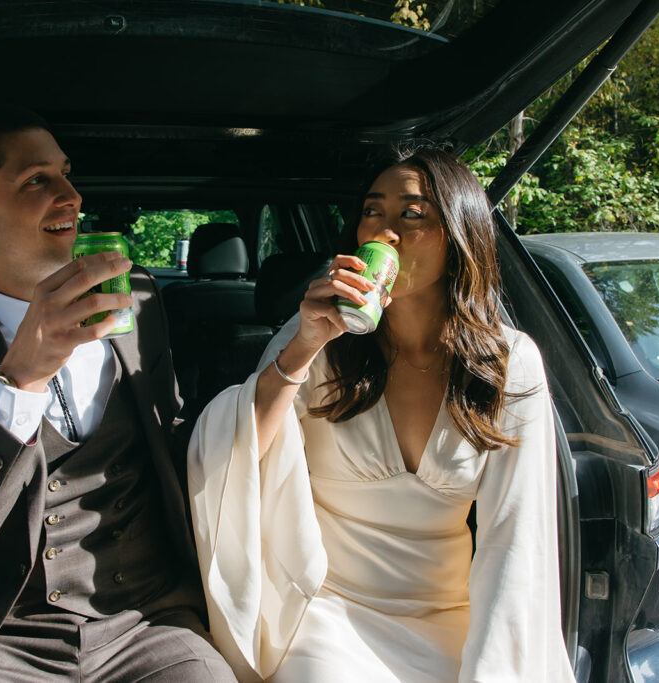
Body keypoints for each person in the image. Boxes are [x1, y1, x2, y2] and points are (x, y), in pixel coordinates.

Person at [0, 109, 235, 682]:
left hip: (147, 622)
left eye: (66, 174)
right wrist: (19, 379)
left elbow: (176, 431)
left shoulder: (137, 298)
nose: (72, 196)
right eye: (37, 181)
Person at [188, 147, 575, 682]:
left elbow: (517, 541)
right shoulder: (318, 338)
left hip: (451, 620)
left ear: (460, 235)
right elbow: (235, 460)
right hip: (328, 608)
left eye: (411, 215)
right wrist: (303, 347)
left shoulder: (508, 363)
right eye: (372, 212)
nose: (384, 232)